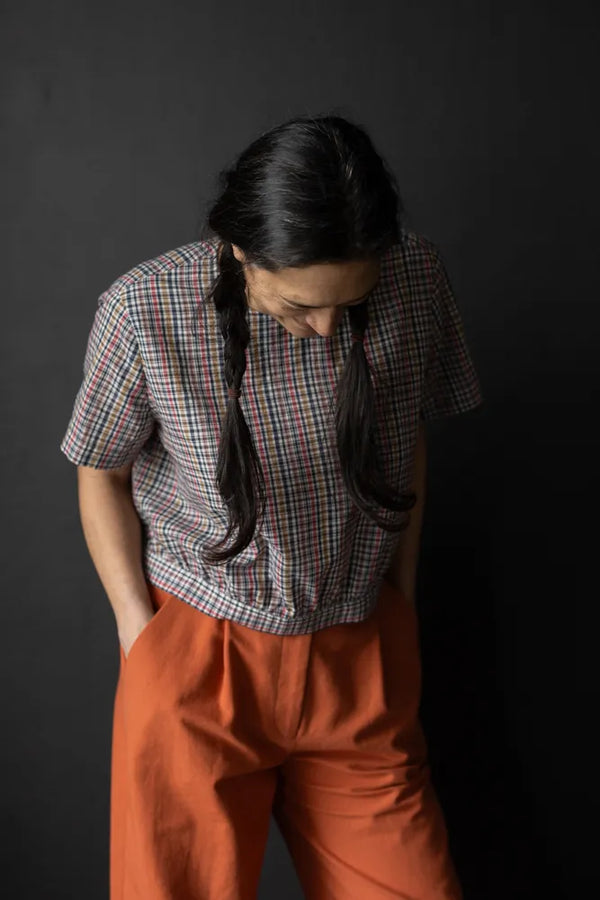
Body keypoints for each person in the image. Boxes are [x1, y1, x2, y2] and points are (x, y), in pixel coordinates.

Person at [60, 113, 483, 899]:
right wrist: (140, 638)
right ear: (239, 251)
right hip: (200, 659)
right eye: (299, 307)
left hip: (359, 649)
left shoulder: (416, 274)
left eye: (347, 307)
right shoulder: (145, 308)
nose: (326, 329)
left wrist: (401, 598)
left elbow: (406, 436)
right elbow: (100, 471)